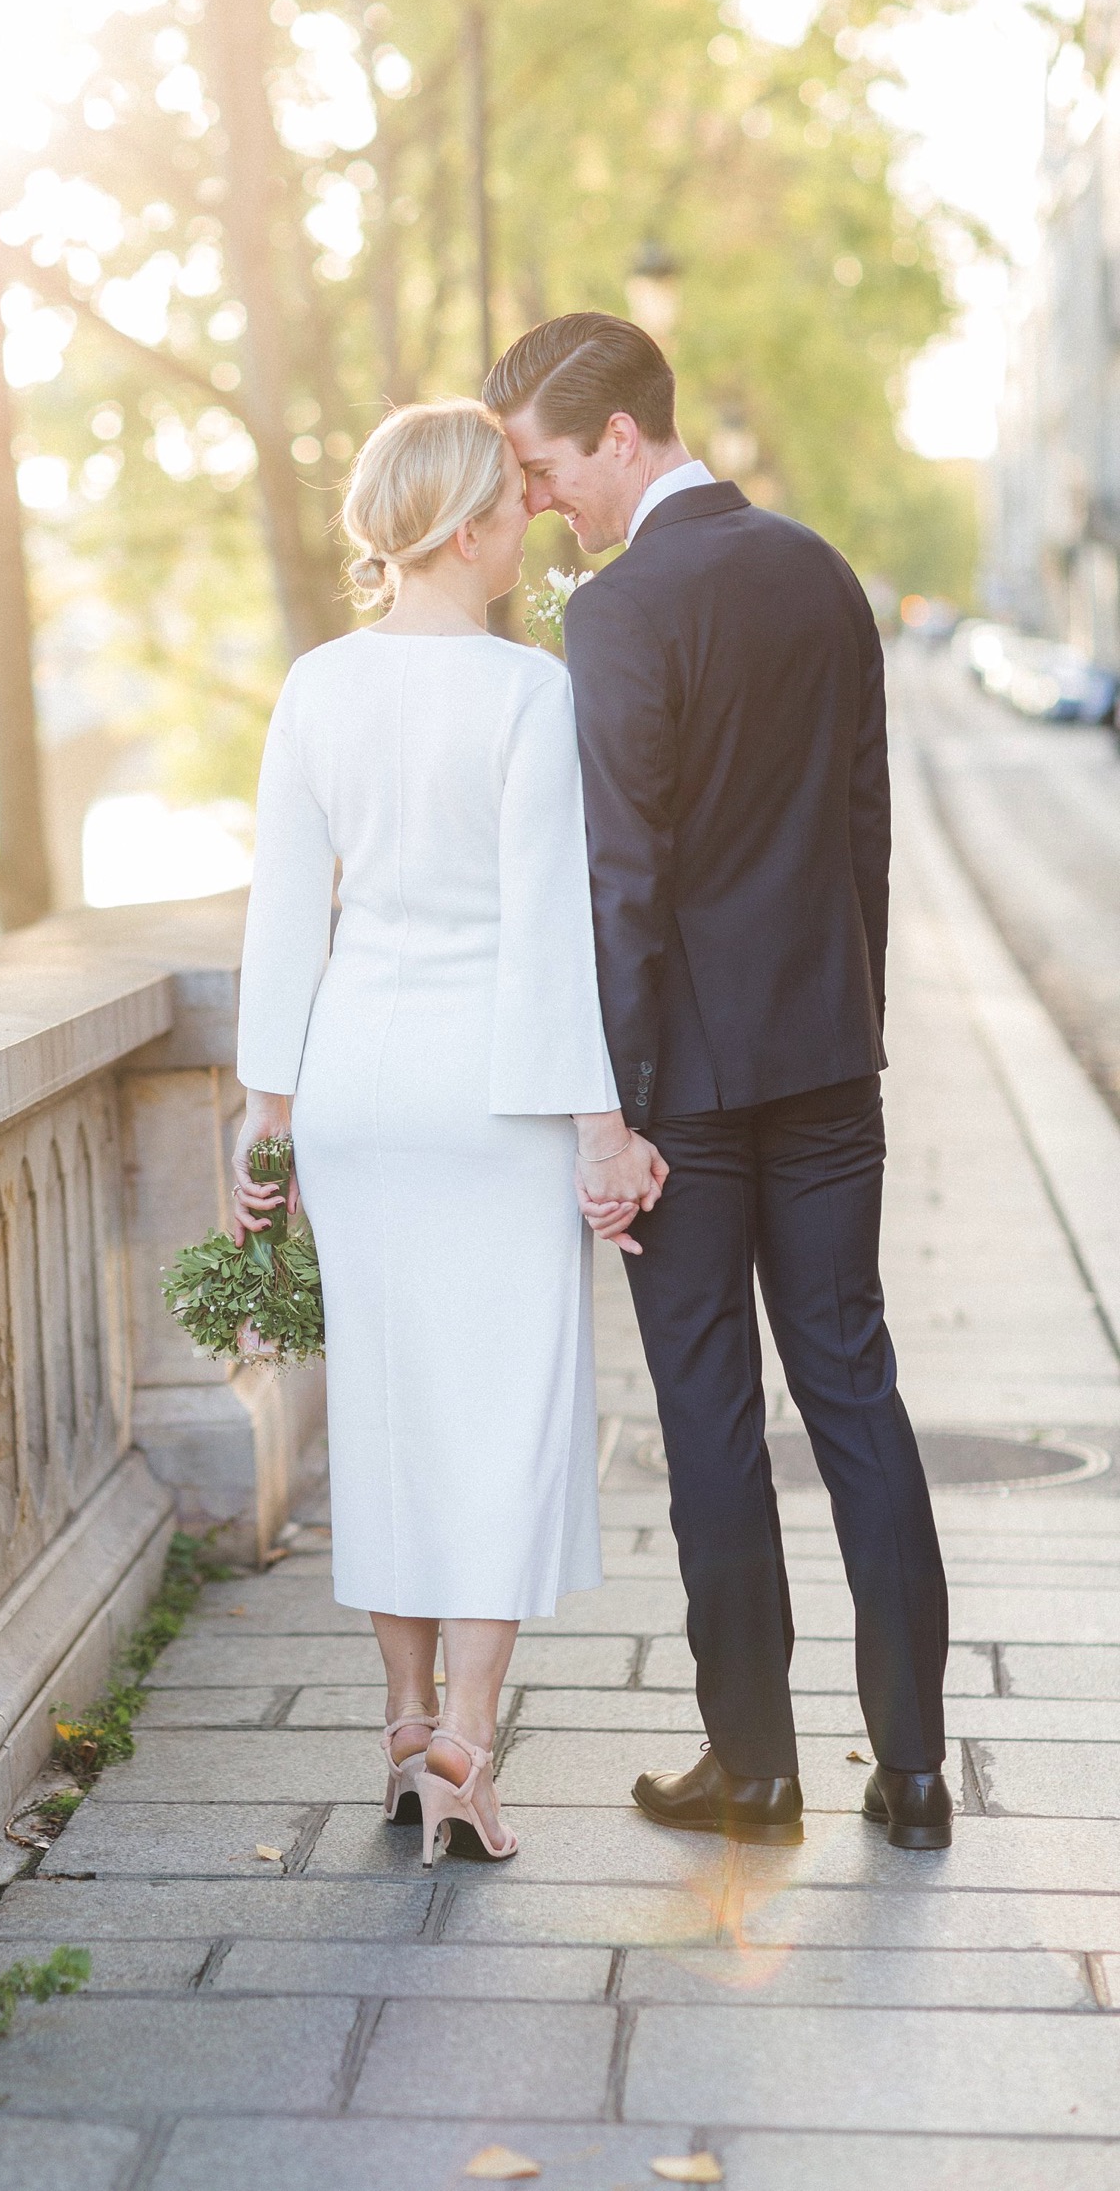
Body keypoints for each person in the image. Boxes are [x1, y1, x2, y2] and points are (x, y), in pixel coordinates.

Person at [485, 313, 953, 1852]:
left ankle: (753, 1772)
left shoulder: (621, 616)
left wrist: (609, 1114)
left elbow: (625, 881)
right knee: (858, 1398)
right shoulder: (822, 575)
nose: (548, 501)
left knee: (711, 1421)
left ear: (620, 434)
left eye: (550, 468)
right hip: (826, 1066)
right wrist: (851, 1019)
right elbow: (864, 829)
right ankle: (917, 1770)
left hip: (684, 1092)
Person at [232, 399, 665, 1866]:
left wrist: (264, 1117)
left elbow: (285, 916)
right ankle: (469, 1745)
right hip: (494, 1097)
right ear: (472, 527)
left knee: (392, 1406)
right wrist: (603, 1130)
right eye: (517, 510)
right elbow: (552, 937)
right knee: (508, 1412)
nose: (531, 529)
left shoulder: (316, 685)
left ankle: (406, 1714)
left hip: (355, 1082)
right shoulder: (526, 694)